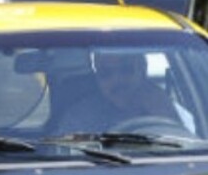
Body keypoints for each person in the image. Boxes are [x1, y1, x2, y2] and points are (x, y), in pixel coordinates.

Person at [57, 50, 186, 134]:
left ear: (142, 69)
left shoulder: (166, 106)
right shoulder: (80, 117)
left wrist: (166, 115)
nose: (117, 80)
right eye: (106, 73)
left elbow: (189, 146)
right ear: (97, 79)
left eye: (126, 69)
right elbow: (61, 157)